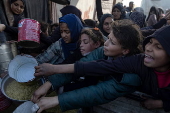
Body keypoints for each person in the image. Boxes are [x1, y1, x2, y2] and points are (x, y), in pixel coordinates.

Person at [34, 25, 170, 112]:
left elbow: (101, 92)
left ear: (125, 51)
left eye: (112, 42)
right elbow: (85, 64)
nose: (105, 43)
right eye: (108, 38)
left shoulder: (132, 74)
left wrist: (57, 100)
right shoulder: (105, 52)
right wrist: (49, 83)